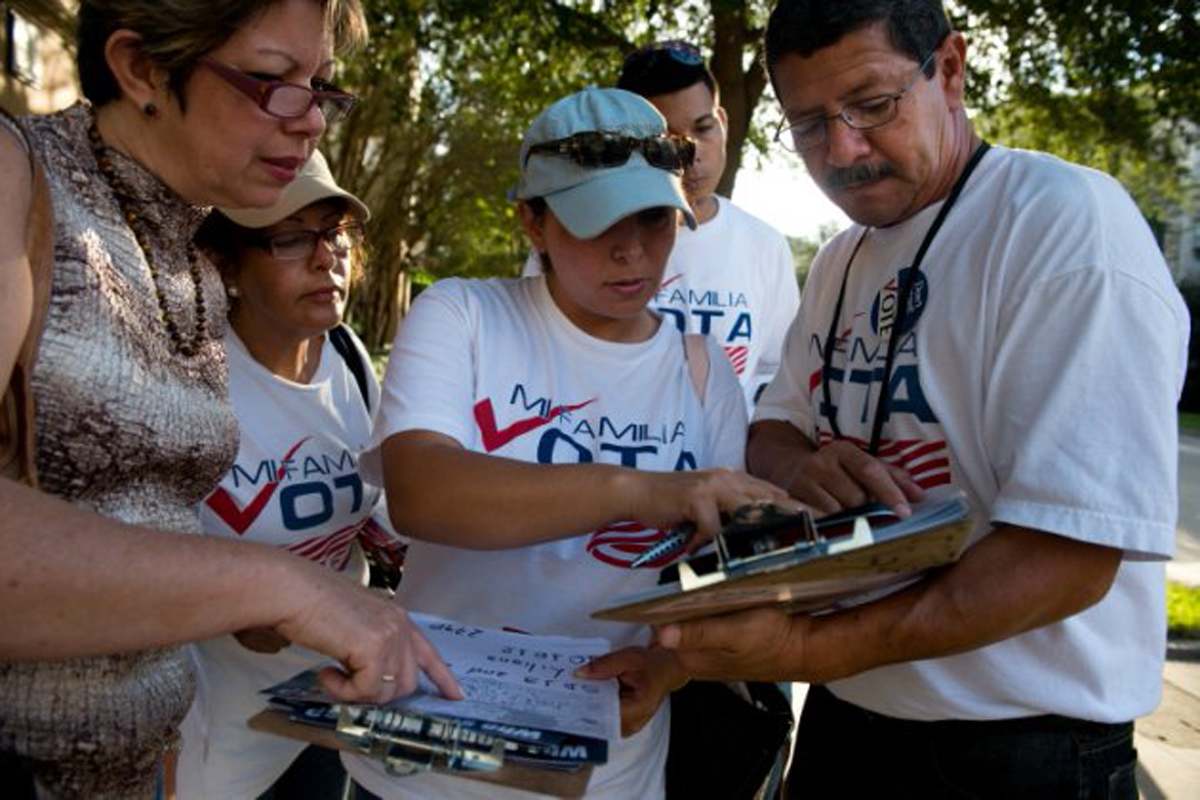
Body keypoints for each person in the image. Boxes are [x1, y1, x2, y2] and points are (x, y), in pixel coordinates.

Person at [588, 1, 1190, 797]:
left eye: (872, 106)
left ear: (949, 68)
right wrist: (803, 464)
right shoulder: (841, 259)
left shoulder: (1065, 227)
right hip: (851, 722)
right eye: (808, 126)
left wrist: (804, 655)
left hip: (1017, 749)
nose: (843, 150)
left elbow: (1068, 557)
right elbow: (774, 424)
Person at [0, 2, 457, 797]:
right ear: (141, 68)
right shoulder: (19, 179)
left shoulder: (191, 260)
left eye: (320, 86)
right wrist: (283, 584)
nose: (310, 121)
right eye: (274, 81)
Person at [342, 86, 793, 799]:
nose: (633, 249)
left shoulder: (704, 372)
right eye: (597, 221)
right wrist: (645, 488)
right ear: (532, 222)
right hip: (425, 763)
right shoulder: (464, 316)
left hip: (607, 766)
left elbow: (714, 573)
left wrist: (672, 667)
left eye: (654, 217)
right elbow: (424, 492)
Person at [175, 150, 402, 799]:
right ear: (226, 266)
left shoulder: (352, 360)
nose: (326, 256)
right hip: (214, 732)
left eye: (333, 233)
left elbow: (382, 515)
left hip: (326, 707)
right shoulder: (189, 386)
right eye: (291, 238)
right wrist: (246, 609)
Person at [524, 43, 801, 414]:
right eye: (667, 141)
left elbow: (776, 373)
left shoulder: (765, 245)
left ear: (723, 121)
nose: (693, 153)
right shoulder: (573, 239)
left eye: (703, 128)